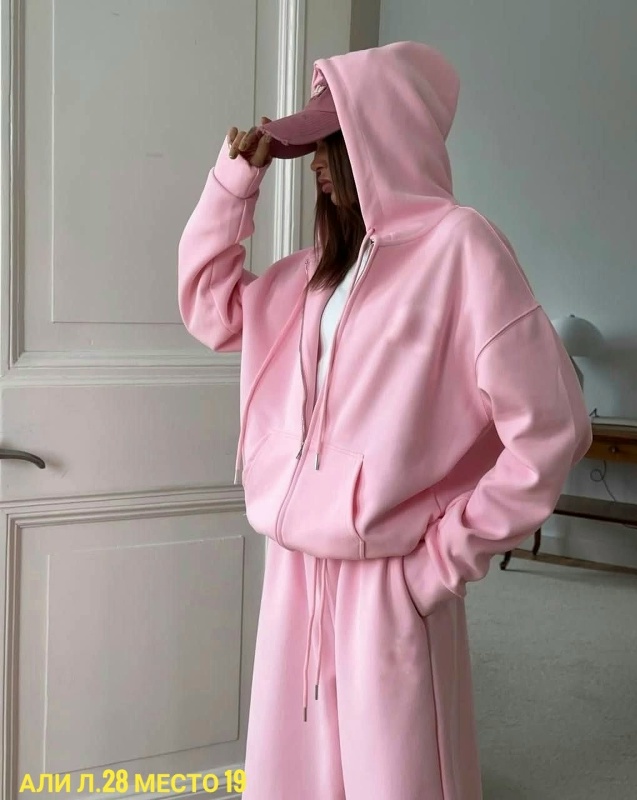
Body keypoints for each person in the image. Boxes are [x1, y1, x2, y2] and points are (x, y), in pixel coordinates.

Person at [178, 40, 592, 800]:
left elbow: (552, 428)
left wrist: (442, 561)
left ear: (381, 136)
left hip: (389, 577)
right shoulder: (313, 273)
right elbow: (210, 306)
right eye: (311, 146)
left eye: (329, 142)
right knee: (291, 778)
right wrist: (235, 178)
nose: (316, 162)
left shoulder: (461, 248)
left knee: (397, 778)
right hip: (294, 568)